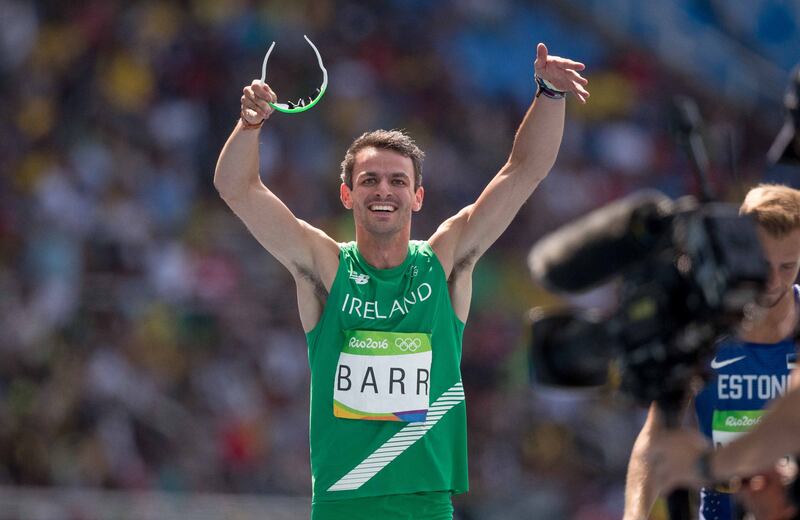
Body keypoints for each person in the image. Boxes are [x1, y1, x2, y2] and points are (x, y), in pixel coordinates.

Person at [213, 43, 589, 520]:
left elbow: (523, 171)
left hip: (426, 506)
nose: (384, 190)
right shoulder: (325, 268)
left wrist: (549, 93)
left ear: (417, 198)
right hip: (342, 504)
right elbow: (237, 189)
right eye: (369, 180)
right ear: (347, 195)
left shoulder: (446, 262)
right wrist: (249, 125)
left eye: (397, 181)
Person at [623, 184, 800, 520]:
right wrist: (634, 514)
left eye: (788, 266)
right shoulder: (703, 330)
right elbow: (656, 435)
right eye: (764, 265)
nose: (773, 281)